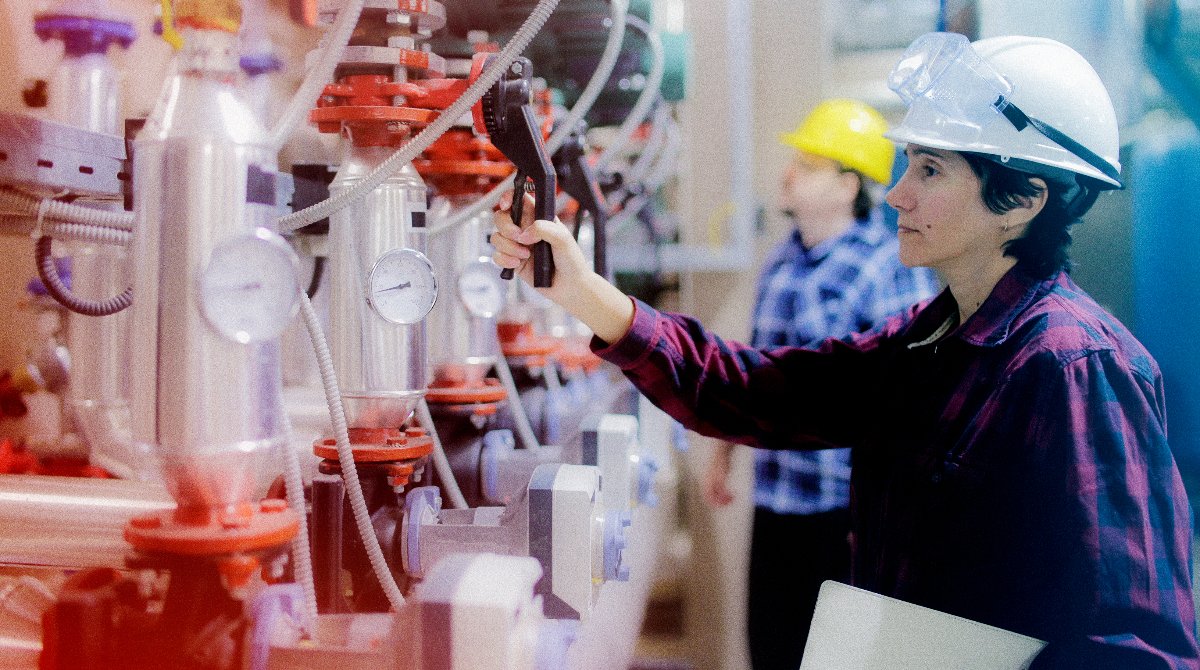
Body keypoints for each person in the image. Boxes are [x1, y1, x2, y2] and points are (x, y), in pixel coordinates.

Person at [493, 33, 1200, 668]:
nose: (896, 195)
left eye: (931, 171)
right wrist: (582, 290)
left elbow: (1140, 647)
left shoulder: (1074, 366)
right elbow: (752, 389)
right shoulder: (928, 340)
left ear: (1021, 200)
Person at [700, 98, 939, 669]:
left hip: (845, 514)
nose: (789, 174)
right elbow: (757, 370)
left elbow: (913, 394)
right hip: (777, 498)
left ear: (847, 186)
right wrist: (724, 454)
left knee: (837, 659)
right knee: (772, 651)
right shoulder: (784, 261)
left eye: (808, 165)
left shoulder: (889, 268)